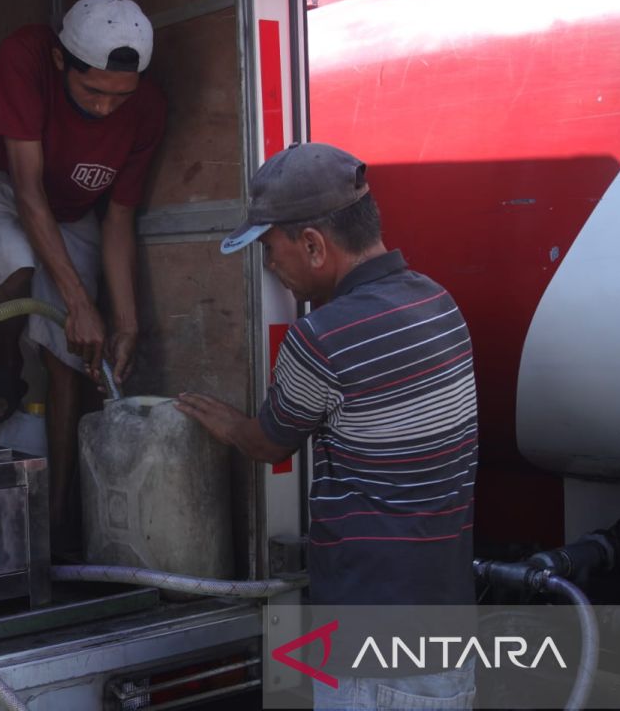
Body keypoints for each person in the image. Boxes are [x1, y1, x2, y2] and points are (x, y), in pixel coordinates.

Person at [177, 143, 478, 710]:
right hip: (446, 615)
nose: (271, 267)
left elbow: (269, 444)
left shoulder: (323, 337)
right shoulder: (440, 304)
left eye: (271, 249)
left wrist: (227, 425)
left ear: (314, 245)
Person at [0, 0, 166, 553]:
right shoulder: (25, 55)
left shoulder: (145, 109)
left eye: (119, 96)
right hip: (0, 179)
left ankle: (60, 518)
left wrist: (125, 321)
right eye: (91, 90)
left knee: (74, 353)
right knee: (15, 262)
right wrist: (77, 300)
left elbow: (119, 216)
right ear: (60, 61)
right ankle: (5, 367)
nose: (104, 108)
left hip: (73, 208)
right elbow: (26, 192)